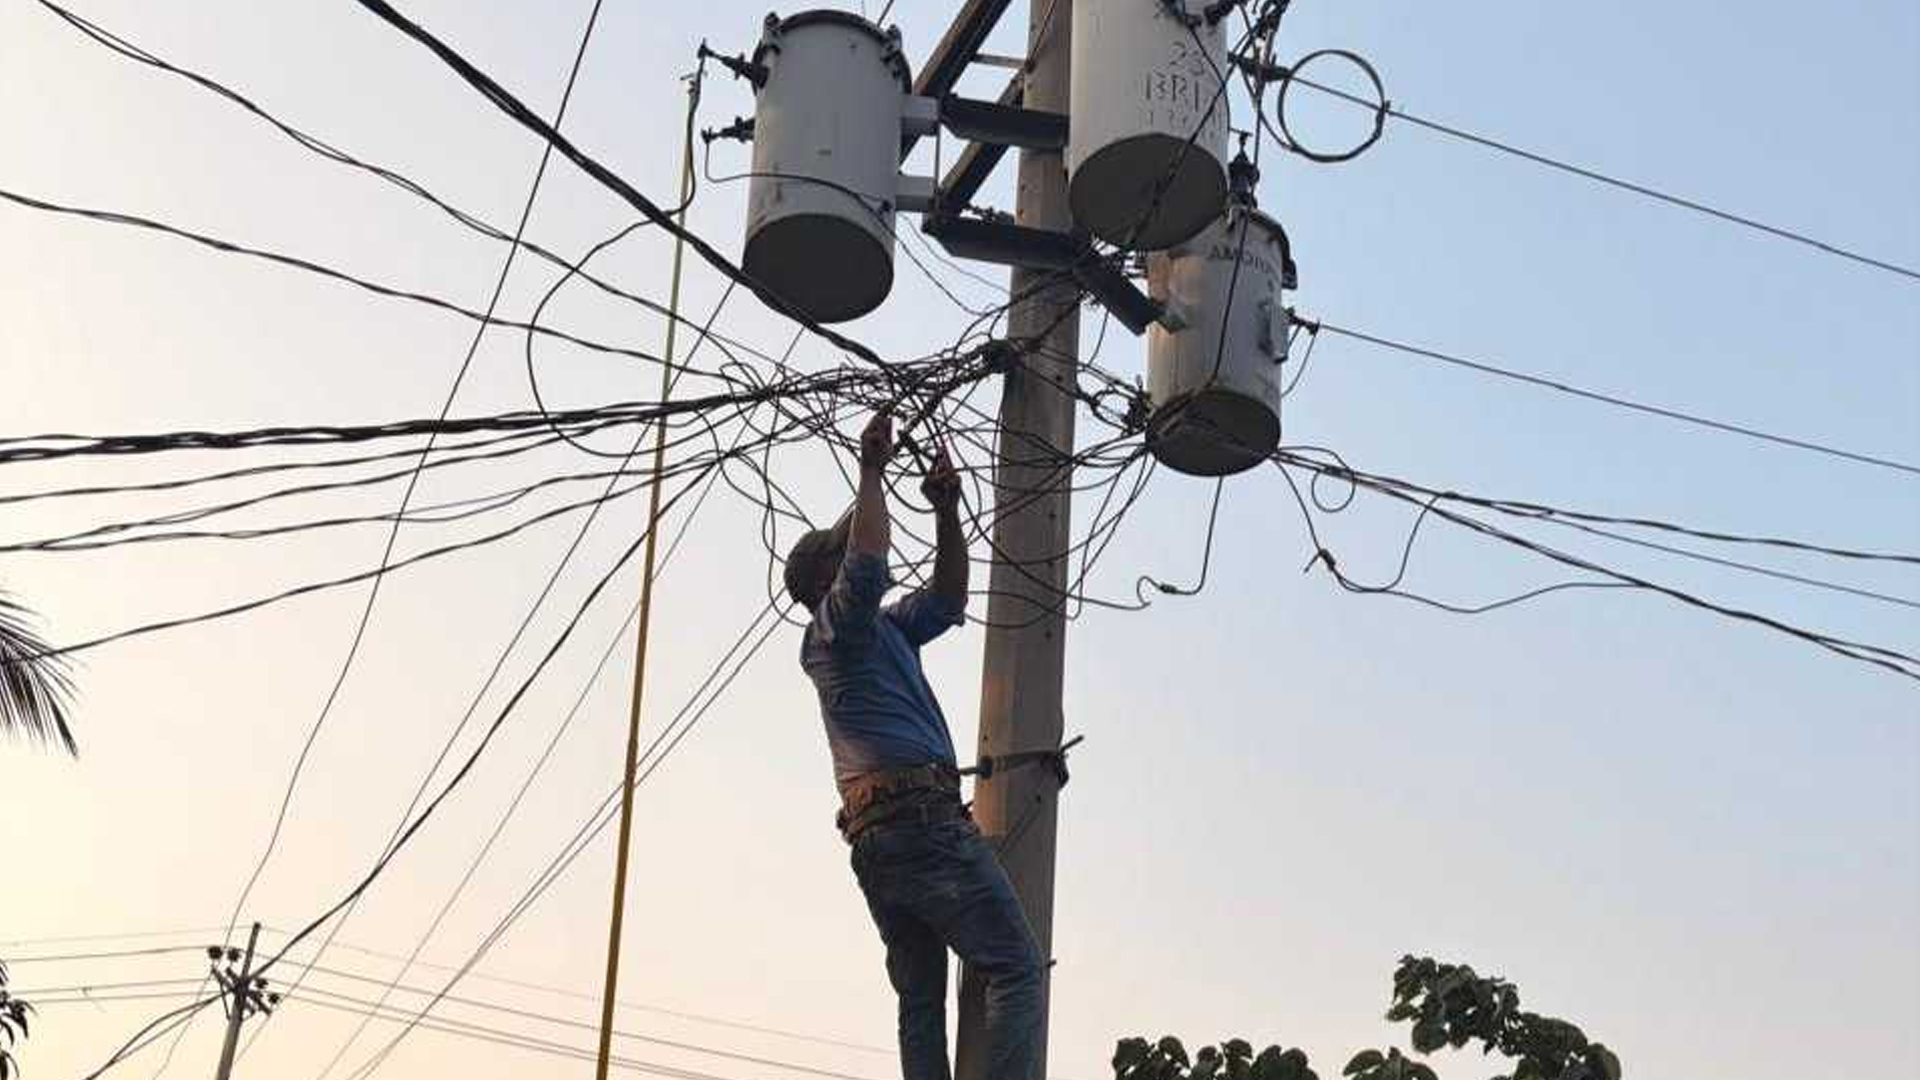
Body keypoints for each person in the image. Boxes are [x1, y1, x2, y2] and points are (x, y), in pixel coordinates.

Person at [785, 410, 1044, 1080]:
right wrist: (870, 470)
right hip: (919, 824)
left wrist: (947, 510)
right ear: (824, 583)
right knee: (1015, 967)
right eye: (838, 559)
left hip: (882, 839)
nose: (852, 557)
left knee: (921, 1001)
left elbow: (949, 599)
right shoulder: (832, 631)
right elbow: (868, 566)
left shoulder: (882, 633)